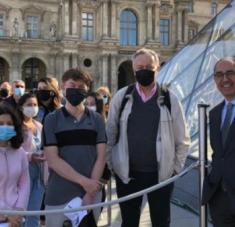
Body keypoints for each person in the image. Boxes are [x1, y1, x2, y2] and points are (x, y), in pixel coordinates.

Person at [106, 48, 190, 227]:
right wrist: (113, 166)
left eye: (149, 66)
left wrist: (174, 170)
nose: (144, 70)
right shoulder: (122, 97)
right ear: (134, 70)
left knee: (161, 222)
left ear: (157, 68)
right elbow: (110, 135)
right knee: (129, 222)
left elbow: (182, 140)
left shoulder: (170, 99)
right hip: (127, 175)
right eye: (140, 67)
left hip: (161, 176)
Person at [43, 68, 106, 226]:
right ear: (63, 88)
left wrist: (90, 192)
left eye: (81, 87)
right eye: (72, 85)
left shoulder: (97, 119)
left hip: (91, 197)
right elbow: (53, 160)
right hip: (59, 195)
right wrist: (86, 183)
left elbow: (101, 156)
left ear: (87, 90)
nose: (76, 90)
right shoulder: (52, 119)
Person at [202, 57, 235, 227]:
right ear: (214, 80)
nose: (225, 79)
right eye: (219, 75)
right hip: (219, 197)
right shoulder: (214, 113)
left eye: (230, 73)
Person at [17, 92, 45, 227]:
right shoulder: (17, 126)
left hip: (40, 172)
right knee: (22, 210)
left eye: (35, 105)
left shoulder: (39, 126)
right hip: (23, 171)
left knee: (34, 210)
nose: (33, 107)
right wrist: (30, 156)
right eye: (29, 105)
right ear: (21, 107)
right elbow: (13, 149)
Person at [0, 103, 30, 226]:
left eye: (9, 124)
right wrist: (7, 213)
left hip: (16, 219)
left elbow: (25, 183)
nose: (5, 127)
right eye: (1, 123)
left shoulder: (20, 152)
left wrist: (19, 210)